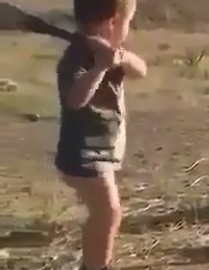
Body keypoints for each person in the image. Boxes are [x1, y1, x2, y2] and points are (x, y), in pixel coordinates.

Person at [55, 0, 147, 269]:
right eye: (126, 23)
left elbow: (142, 70)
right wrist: (99, 68)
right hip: (82, 152)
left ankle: (94, 264)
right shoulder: (76, 57)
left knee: (104, 213)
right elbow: (75, 99)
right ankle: (96, 266)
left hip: (102, 150)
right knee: (108, 212)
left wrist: (121, 58)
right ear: (110, 23)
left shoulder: (109, 51)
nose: (127, 30)